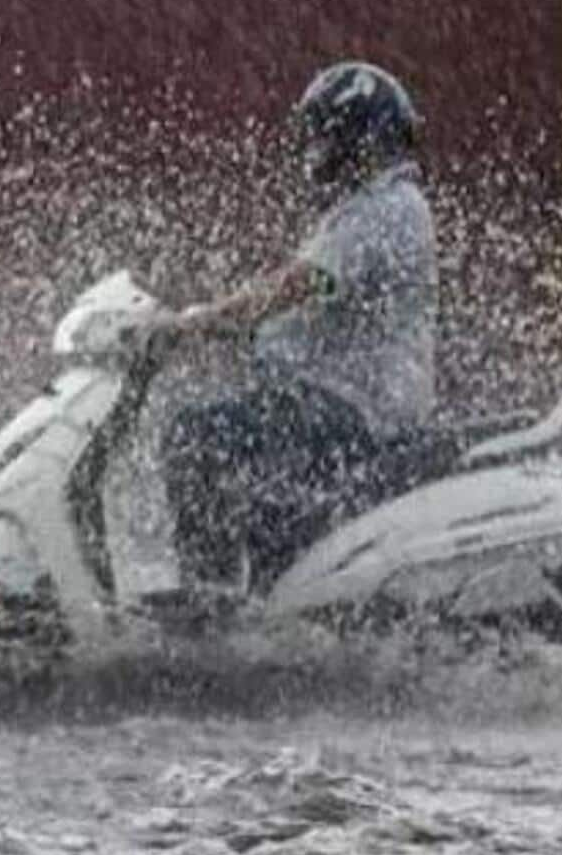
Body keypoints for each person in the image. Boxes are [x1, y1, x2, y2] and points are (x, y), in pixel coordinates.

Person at [157, 61, 438, 592]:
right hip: (337, 401)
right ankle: (258, 609)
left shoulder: (387, 209)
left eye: (326, 134)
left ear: (359, 137)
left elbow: (296, 287)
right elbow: (308, 310)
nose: (316, 149)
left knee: (194, 436)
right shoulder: (366, 208)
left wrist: (193, 323)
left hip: (356, 409)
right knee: (264, 501)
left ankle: (205, 604)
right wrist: (233, 334)